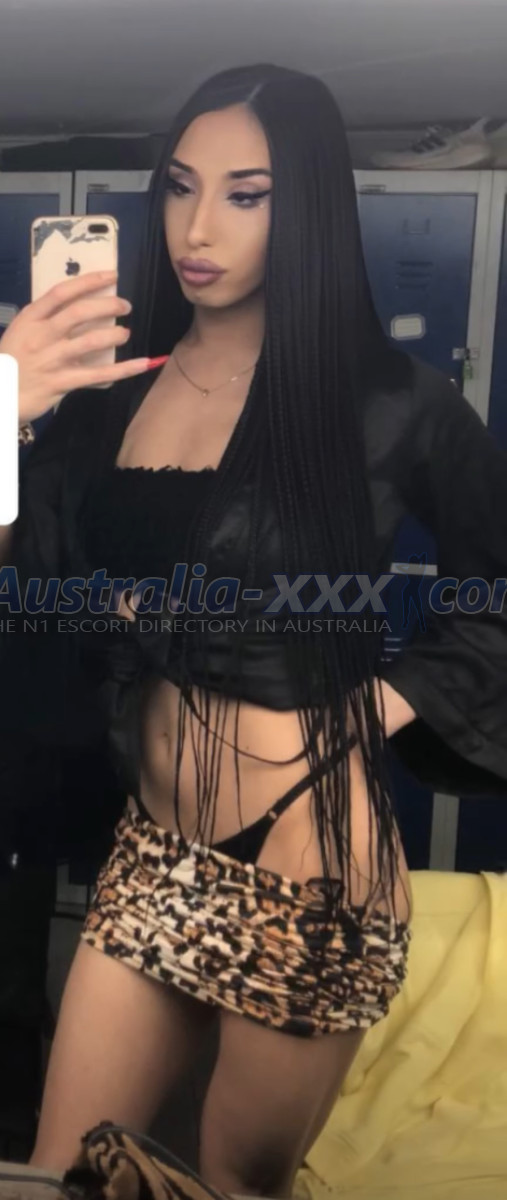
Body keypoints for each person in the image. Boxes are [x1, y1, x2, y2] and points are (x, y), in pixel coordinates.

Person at [0, 62, 506, 1197]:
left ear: (308, 207)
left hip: (308, 867)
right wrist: (0, 407)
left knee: (233, 1183)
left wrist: (390, 700)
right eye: (180, 187)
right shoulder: (109, 398)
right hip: (153, 852)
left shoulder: (393, 402)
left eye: (247, 194)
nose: (198, 228)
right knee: (60, 1175)